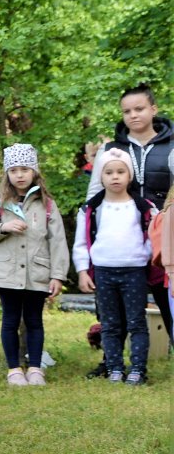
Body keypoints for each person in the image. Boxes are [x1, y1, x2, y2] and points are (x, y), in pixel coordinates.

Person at [84, 83, 171, 368]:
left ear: (153, 109)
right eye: (127, 111)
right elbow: (94, 196)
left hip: (163, 237)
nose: (133, 115)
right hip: (121, 241)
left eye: (139, 109)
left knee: (168, 298)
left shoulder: (171, 147)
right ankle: (111, 362)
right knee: (117, 309)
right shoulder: (111, 149)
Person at [0, 144, 68, 387]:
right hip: (6, 272)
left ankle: (36, 369)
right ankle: (14, 369)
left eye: (25, 169)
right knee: (10, 320)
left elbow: (57, 241)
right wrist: (3, 227)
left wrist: (57, 275)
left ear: (34, 171)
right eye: (14, 170)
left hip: (37, 272)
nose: (19, 175)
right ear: (7, 173)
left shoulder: (47, 204)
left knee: (34, 320)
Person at [76, 149, 156, 385]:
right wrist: (82, 271)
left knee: (136, 322)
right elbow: (81, 243)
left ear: (129, 176)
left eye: (121, 172)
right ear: (100, 176)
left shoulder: (143, 207)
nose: (115, 177)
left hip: (134, 272)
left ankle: (138, 369)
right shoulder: (91, 209)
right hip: (103, 272)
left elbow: (153, 237)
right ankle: (114, 368)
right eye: (109, 172)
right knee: (110, 324)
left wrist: (143, 255)